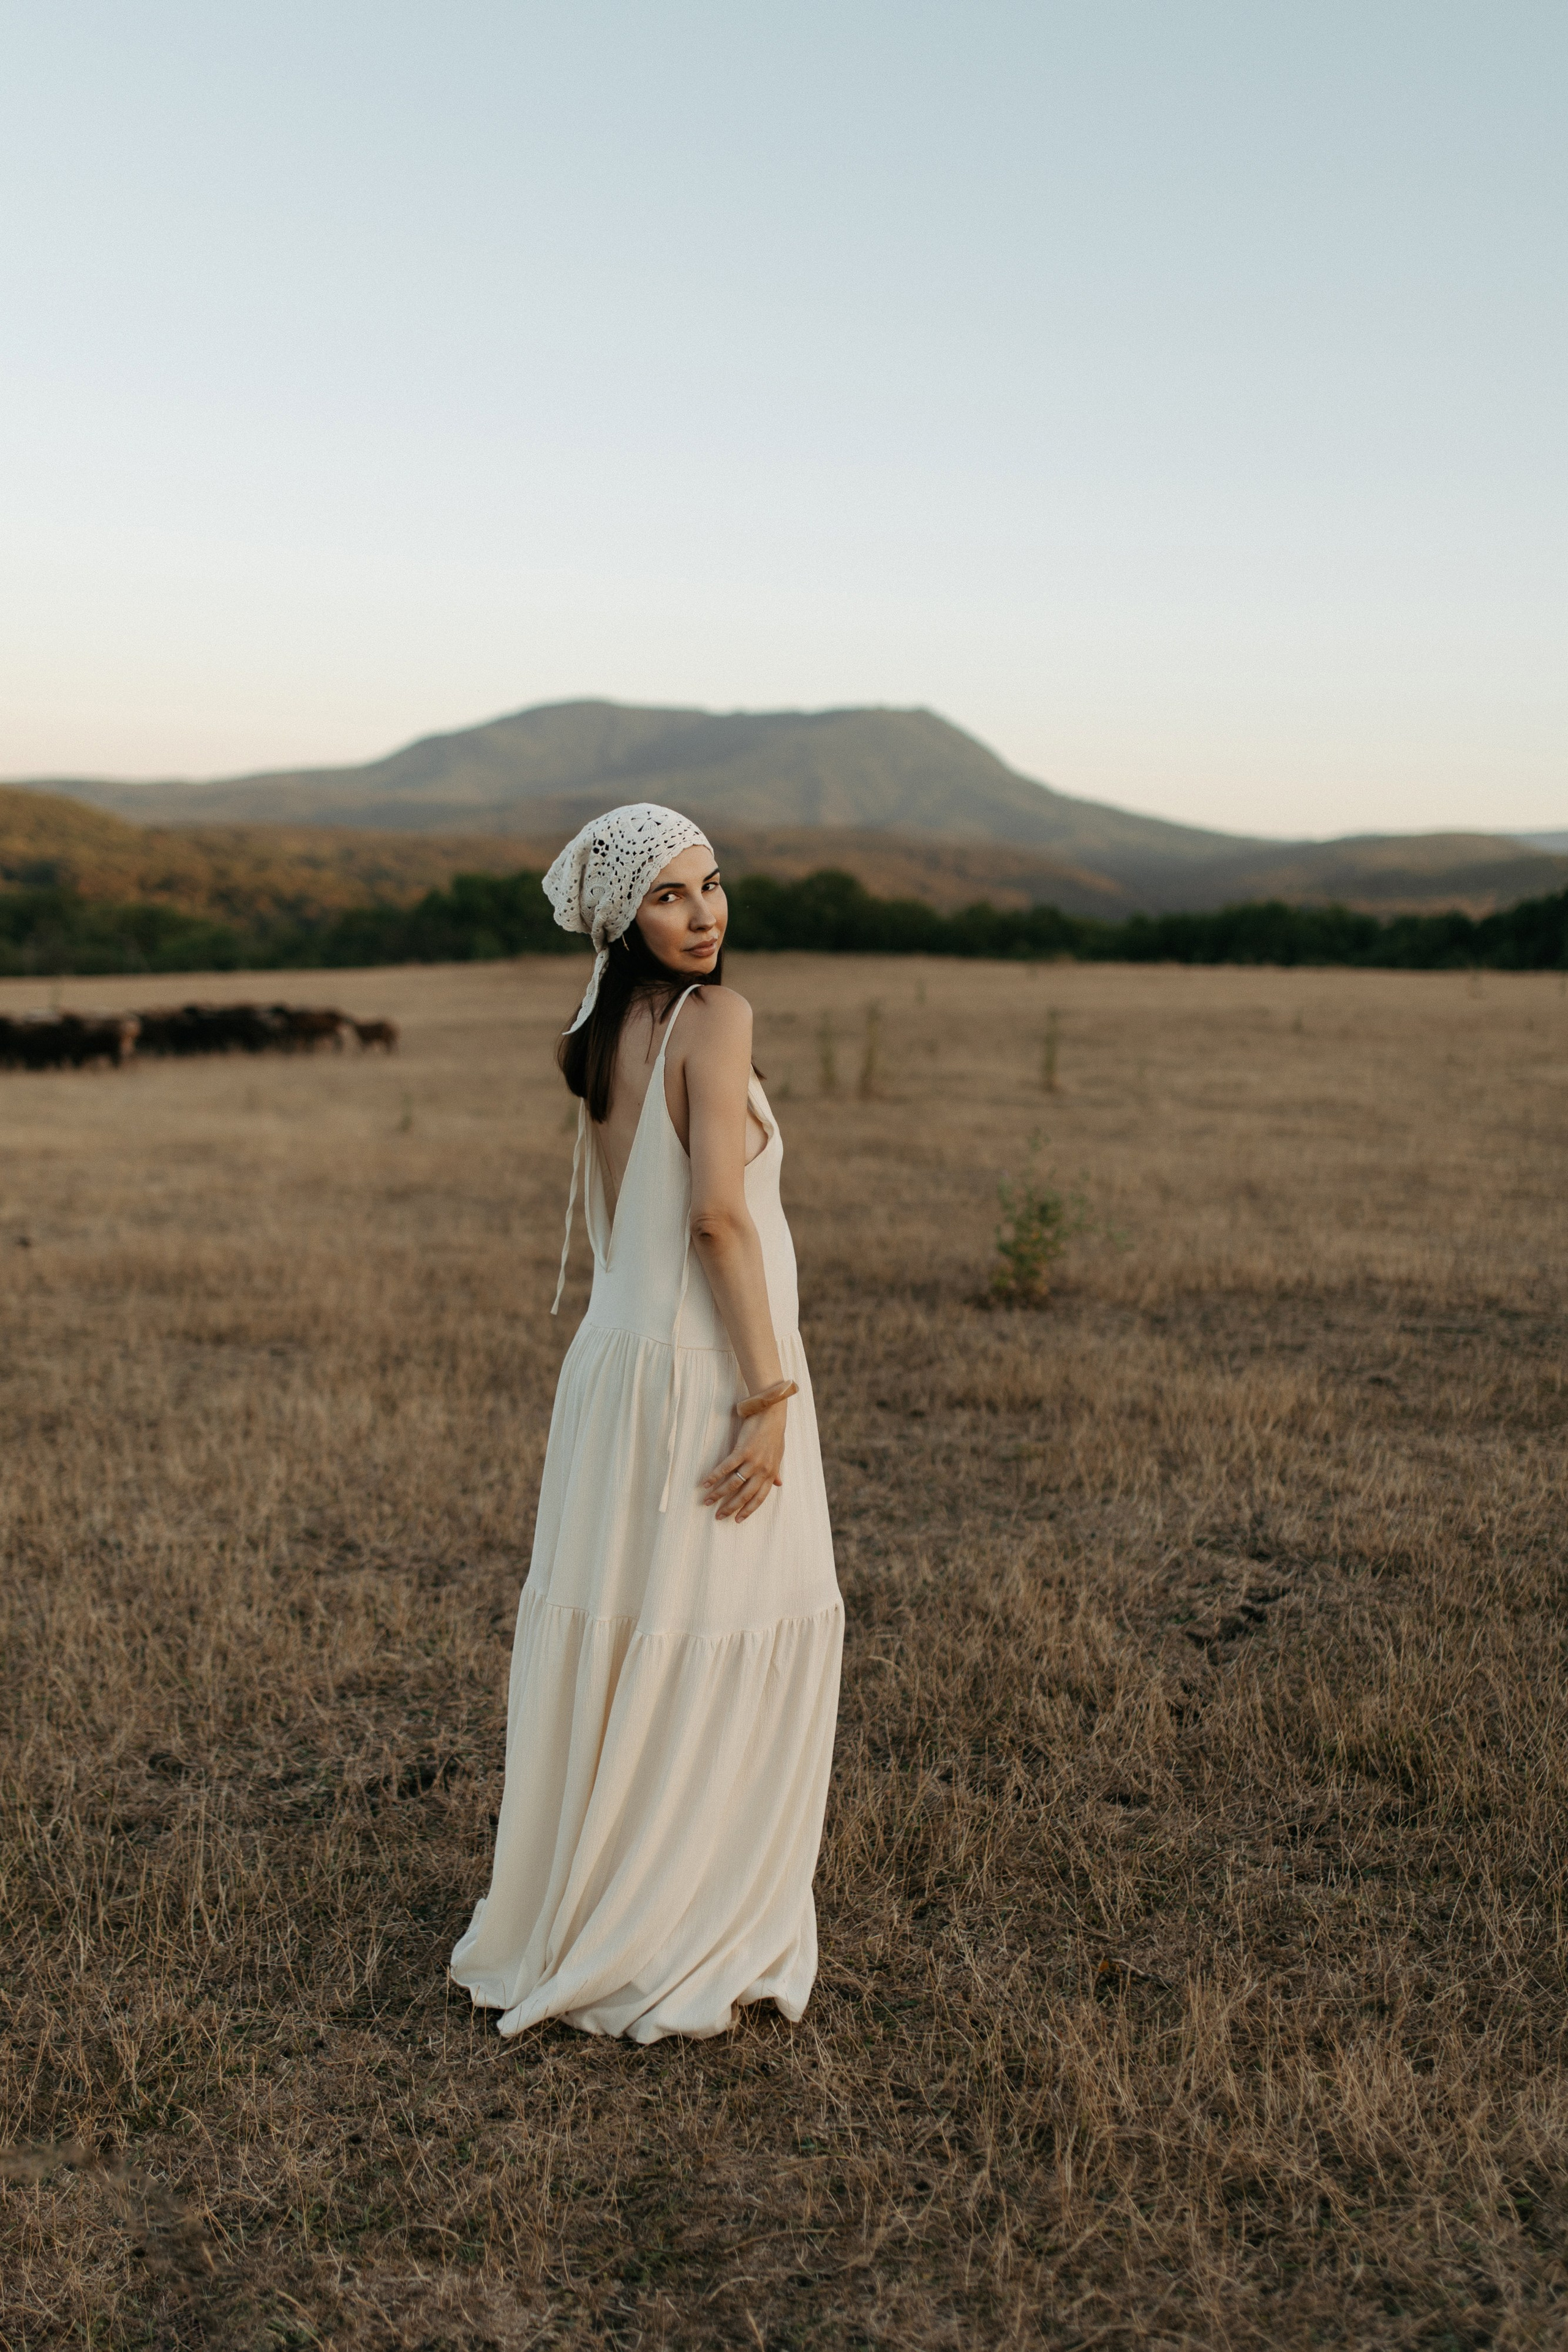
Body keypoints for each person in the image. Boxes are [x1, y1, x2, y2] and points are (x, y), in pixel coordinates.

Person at [450, 802, 843, 2043]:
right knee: (703, 1622)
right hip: (699, 1368)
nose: (705, 912)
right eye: (670, 896)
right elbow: (716, 1218)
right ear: (625, 917)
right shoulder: (715, 1018)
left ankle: (594, 1909)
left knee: (630, 1626)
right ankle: (674, 1928)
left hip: (616, 1363)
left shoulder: (597, 1022)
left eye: (713, 883)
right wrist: (769, 1394)